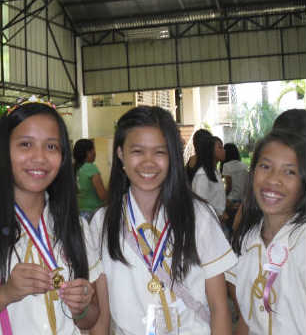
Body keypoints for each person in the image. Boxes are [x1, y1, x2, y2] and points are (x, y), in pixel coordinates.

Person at [90, 106, 237, 335]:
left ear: (173, 156)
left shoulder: (198, 216)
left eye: (160, 152)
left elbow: (220, 309)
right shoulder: (102, 223)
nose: (149, 162)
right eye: (137, 151)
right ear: (121, 154)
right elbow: (102, 314)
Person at [0, 97, 102, 334]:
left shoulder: (75, 226)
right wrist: (7, 292)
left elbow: (90, 320)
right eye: (25, 144)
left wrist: (82, 307)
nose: (39, 157)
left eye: (51, 146)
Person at [227, 130, 306, 334]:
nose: (273, 179)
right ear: (252, 173)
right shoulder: (247, 241)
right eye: (265, 166)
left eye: (289, 171)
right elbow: (246, 320)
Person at [190, 135, 226, 219]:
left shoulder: (215, 172)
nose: (224, 151)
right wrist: (217, 216)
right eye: (220, 147)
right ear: (210, 151)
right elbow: (201, 205)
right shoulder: (202, 175)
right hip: (209, 223)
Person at [73, 139, 107, 222]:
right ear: (88, 153)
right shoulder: (90, 168)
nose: (95, 153)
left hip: (79, 213)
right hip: (94, 214)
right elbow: (102, 195)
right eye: (93, 150)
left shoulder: (73, 168)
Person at [221, 143, 248, 233]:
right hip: (243, 201)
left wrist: (223, 197)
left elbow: (229, 186)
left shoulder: (226, 166)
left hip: (231, 201)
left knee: (230, 228)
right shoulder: (244, 165)